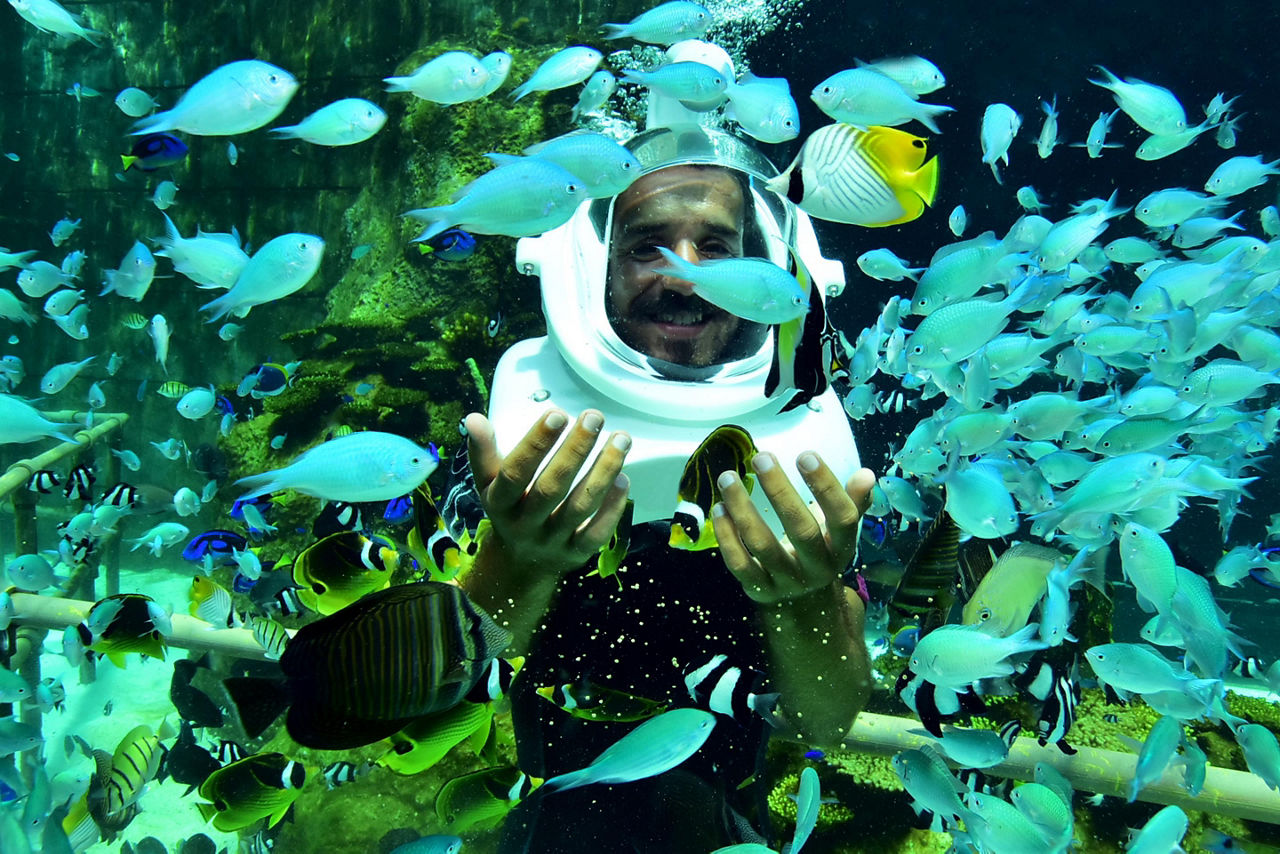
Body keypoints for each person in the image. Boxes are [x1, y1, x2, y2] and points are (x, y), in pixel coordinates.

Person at [455, 108, 875, 850]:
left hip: (725, 825)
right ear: (595, 266)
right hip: (553, 814)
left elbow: (828, 720)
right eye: (648, 245)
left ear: (768, 262)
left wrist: (808, 595)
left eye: (716, 246)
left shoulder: (805, 435)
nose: (683, 274)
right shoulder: (526, 426)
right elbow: (461, 664)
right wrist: (518, 556)